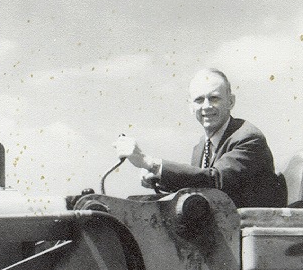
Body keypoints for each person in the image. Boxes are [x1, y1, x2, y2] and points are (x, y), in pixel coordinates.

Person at [114, 69, 284, 208]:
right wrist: (157, 177)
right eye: (199, 100)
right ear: (190, 107)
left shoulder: (248, 138)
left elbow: (214, 180)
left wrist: (149, 162)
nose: (206, 106)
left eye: (214, 98)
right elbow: (198, 188)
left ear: (231, 102)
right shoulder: (201, 147)